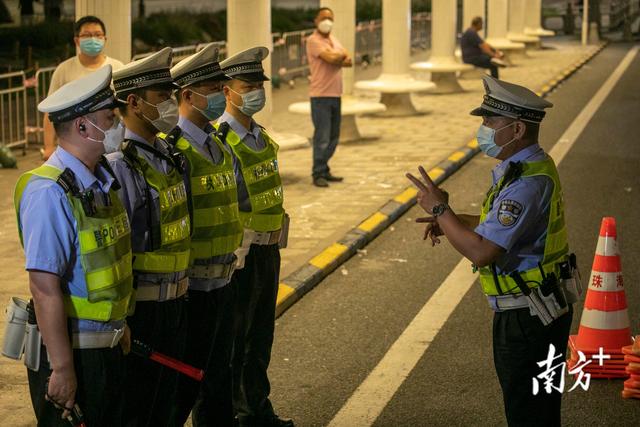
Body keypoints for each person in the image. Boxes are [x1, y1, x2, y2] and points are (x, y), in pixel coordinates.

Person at [406, 76, 577, 426]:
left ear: (515, 130)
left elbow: (483, 251)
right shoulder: (526, 168)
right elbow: (498, 226)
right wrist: (452, 218)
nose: (482, 129)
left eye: (489, 122)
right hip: (542, 308)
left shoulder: (526, 183)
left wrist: (440, 209)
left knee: (527, 413)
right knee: (540, 410)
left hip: (527, 318)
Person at [14, 64, 134, 426]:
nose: (118, 127)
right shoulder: (48, 191)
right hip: (76, 355)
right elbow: (44, 287)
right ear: (83, 126)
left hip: (106, 348)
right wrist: (63, 369)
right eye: (111, 118)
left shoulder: (99, 181)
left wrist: (119, 324)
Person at [107, 47, 190, 426]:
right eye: (163, 98)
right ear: (135, 103)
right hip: (143, 311)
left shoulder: (166, 153)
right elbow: (116, 250)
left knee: (167, 403)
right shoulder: (120, 165)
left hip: (176, 302)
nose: (171, 105)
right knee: (140, 407)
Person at [216, 47, 292, 427]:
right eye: (248, 86)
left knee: (260, 339)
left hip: (268, 251)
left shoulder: (259, 136)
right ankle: (238, 414)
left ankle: (257, 410)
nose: (256, 93)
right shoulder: (223, 139)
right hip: (239, 256)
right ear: (228, 91)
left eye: (258, 85)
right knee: (237, 343)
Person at [169, 43, 243, 426]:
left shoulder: (219, 145)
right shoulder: (176, 152)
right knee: (186, 385)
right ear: (188, 95)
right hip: (192, 290)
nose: (219, 96)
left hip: (224, 282)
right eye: (213, 89)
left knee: (220, 378)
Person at [43, 15, 124, 160]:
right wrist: (49, 147)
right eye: (87, 35)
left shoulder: (118, 68)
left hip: (113, 143)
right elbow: (50, 113)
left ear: (105, 39)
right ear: (77, 40)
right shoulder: (64, 70)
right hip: (75, 147)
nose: (93, 39)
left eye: (98, 35)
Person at [306, 6, 352, 188]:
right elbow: (333, 59)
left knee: (334, 136)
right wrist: (338, 56)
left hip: (335, 94)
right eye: (324, 17)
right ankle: (317, 173)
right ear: (316, 21)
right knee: (322, 137)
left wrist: (337, 56)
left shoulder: (333, 39)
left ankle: (324, 169)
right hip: (320, 96)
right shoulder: (312, 40)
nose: (327, 21)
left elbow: (349, 59)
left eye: (330, 18)